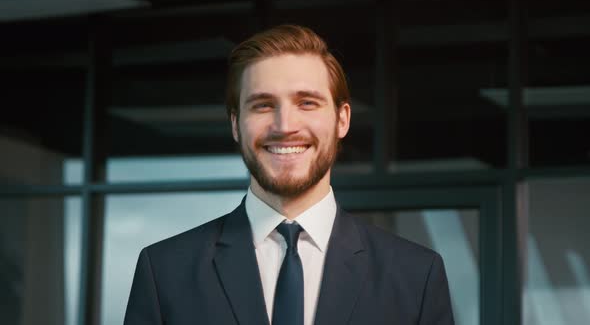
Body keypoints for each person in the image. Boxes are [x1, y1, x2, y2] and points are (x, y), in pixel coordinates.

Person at [124, 24, 454, 325]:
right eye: (263, 105)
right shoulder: (164, 272)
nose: (285, 126)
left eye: (307, 103)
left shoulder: (416, 276)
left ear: (342, 119)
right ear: (236, 124)